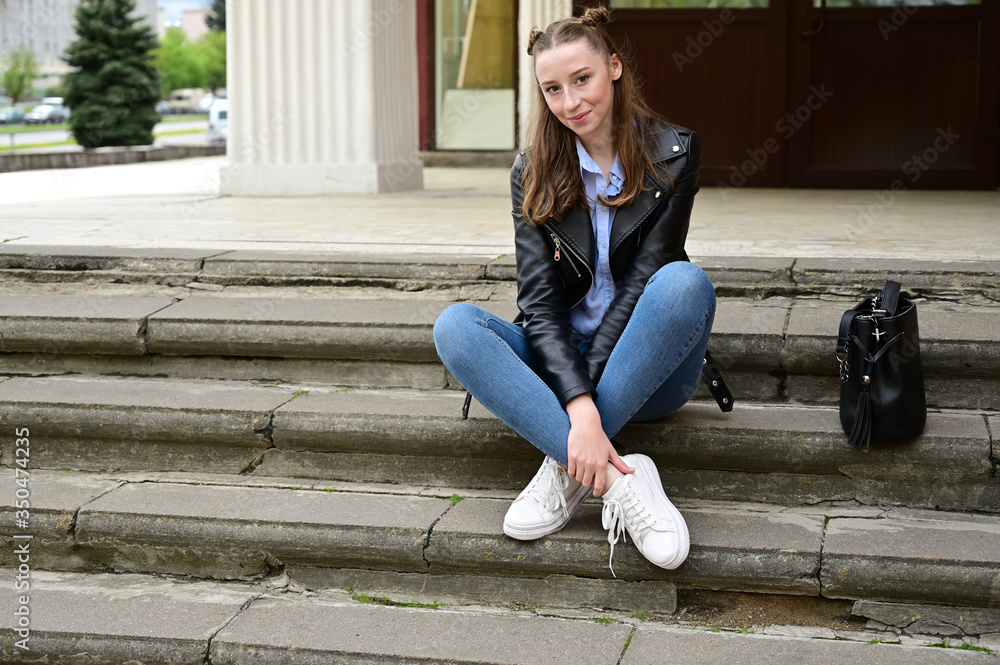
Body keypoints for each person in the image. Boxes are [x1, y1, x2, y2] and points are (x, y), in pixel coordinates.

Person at [433, 6, 725, 575]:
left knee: (682, 283)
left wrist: (583, 406)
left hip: (650, 372)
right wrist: (578, 401)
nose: (571, 102)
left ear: (614, 67)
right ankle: (619, 478)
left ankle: (564, 464)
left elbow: (647, 278)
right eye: (553, 89)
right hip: (561, 366)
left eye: (582, 79)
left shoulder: (674, 153)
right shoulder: (532, 172)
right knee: (455, 327)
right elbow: (539, 305)